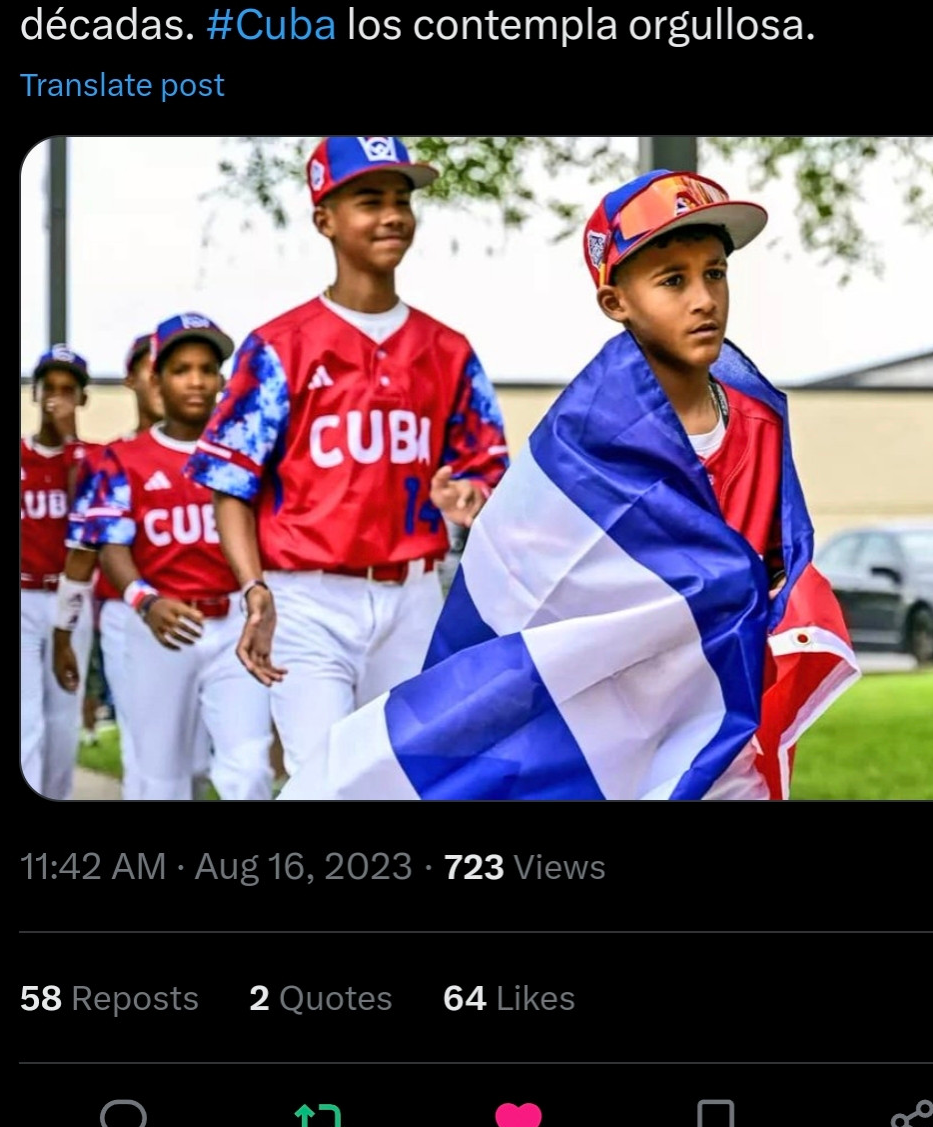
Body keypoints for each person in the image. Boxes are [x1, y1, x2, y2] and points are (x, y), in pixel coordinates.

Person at [279, 169, 859, 802]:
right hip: (613, 712)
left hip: (723, 708)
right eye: (672, 280)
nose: (704, 299)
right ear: (616, 303)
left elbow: (776, 557)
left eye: (715, 273)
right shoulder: (587, 436)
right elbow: (536, 584)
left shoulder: (758, 418)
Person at [186, 134, 511, 779]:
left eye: (402, 199)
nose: (392, 214)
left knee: (401, 775)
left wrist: (470, 494)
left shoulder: (448, 349)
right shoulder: (278, 346)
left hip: (413, 593)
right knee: (322, 776)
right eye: (369, 199)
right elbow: (230, 483)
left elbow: (486, 465)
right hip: (306, 598)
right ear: (325, 218)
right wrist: (255, 589)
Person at [82, 315, 273, 801]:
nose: (196, 381)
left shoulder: (244, 453)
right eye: (181, 369)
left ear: (221, 381)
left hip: (235, 625)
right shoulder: (124, 459)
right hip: (161, 627)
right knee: (160, 780)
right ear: (157, 379)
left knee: (249, 772)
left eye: (207, 369)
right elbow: (111, 546)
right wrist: (144, 600)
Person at [53, 332, 165, 799]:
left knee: (206, 759)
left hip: (210, 613)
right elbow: (84, 542)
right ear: (136, 378)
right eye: (157, 367)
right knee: (147, 750)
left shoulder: (216, 458)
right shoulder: (108, 458)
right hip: (128, 614)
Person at [21, 346, 94, 799]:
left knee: (63, 719)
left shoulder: (91, 460)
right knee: (25, 718)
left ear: (82, 399)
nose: (58, 399)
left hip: (72, 600)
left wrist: (72, 444)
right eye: (51, 388)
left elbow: (82, 518)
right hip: (24, 595)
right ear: (36, 392)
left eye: (69, 390)